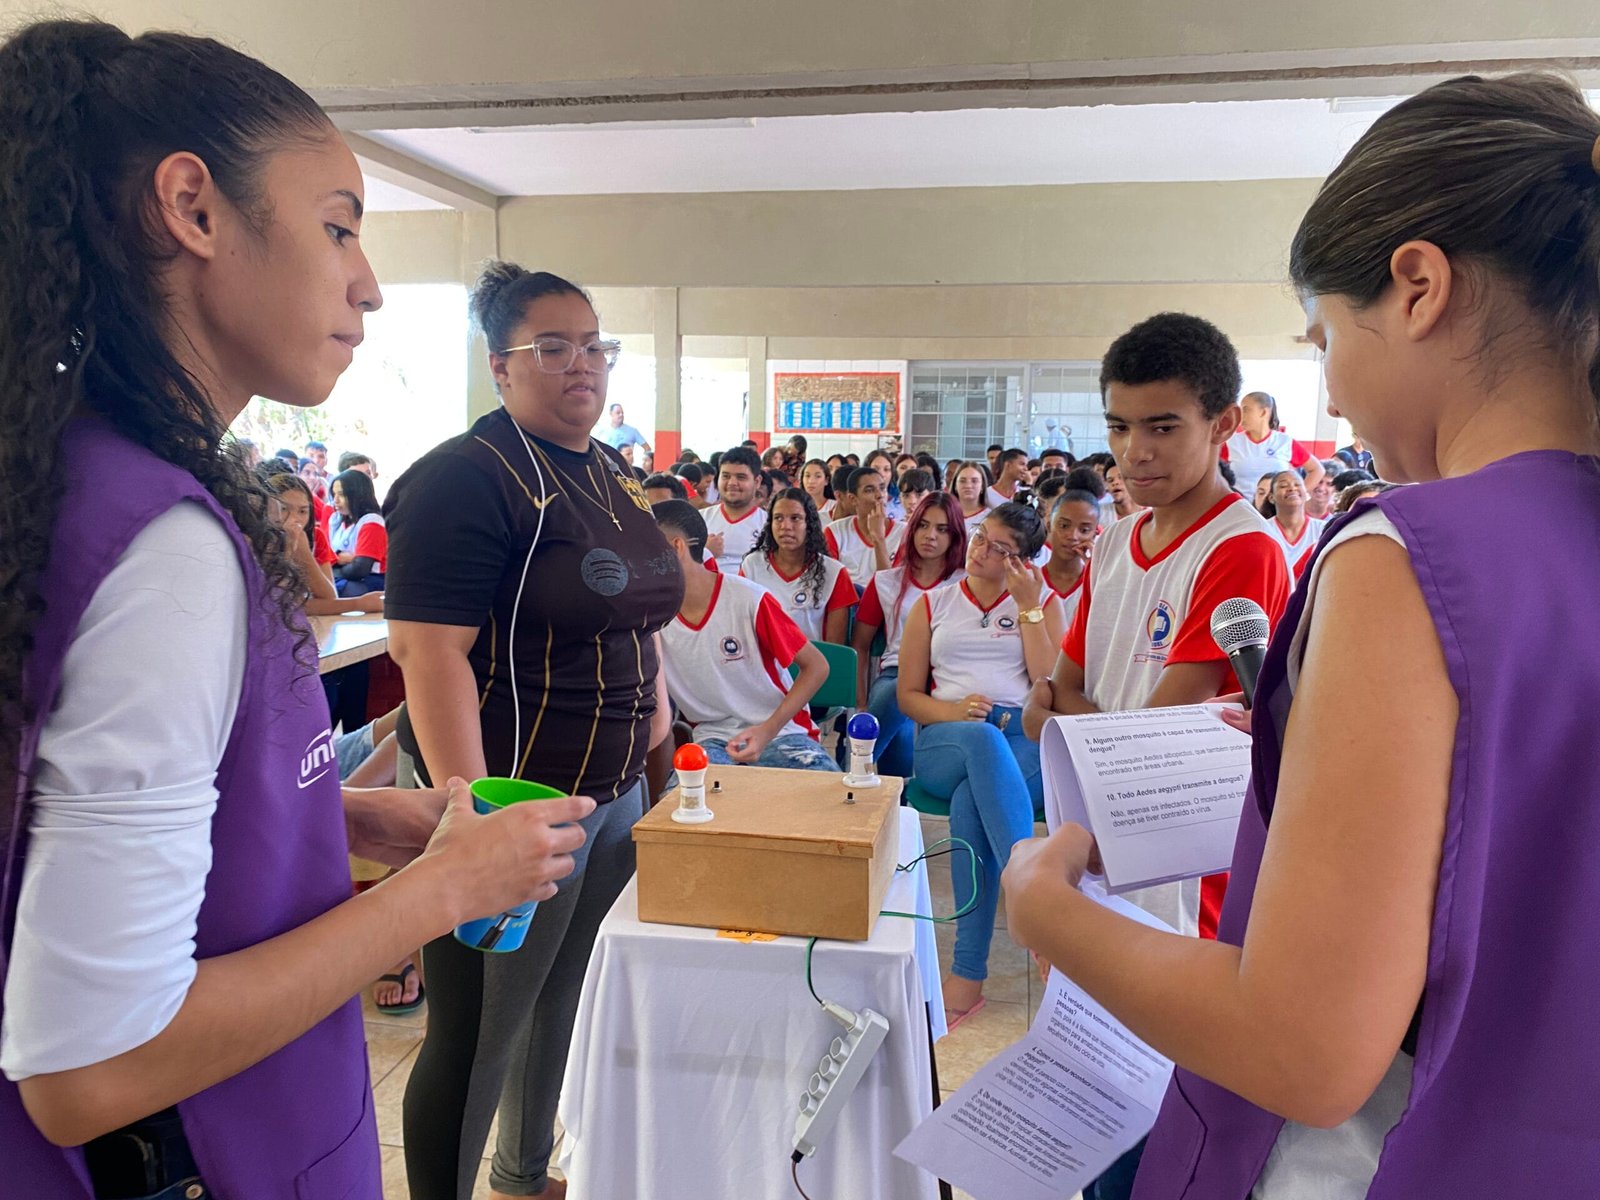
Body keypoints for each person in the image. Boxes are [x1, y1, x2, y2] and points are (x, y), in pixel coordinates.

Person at [0, 21, 593, 1199]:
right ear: (193, 209)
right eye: (336, 227)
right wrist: (442, 892)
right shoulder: (166, 550)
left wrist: (350, 819)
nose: (367, 283)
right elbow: (88, 1065)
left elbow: (74, 821)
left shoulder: (76, 477)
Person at [1007, 72, 1600, 1200]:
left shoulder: (1407, 557)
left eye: (1324, 337)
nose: (1330, 392)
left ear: (1417, 286)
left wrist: (1048, 908)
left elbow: (1306, 1050)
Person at [384, 262, 680, 1200]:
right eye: (552, 348)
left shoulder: (610, 471)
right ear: (501, 366)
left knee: (563, 997)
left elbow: (638, 617)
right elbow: (428, 654)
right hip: (518, 797)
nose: (580, 364)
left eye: (593, 346)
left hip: (614, 789)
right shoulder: (465, 479)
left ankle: (521, 1176)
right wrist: (471, 816)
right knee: (478, 1033)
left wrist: (660, 738)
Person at [897, 503, 1066, 1025]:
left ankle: (967, 977)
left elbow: (1051, 687)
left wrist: (1028, 607)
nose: (979, 550)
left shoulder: (1043, 603)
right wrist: (953, 711)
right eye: (979, 537)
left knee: (973, 800)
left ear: (1022, 561)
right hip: (945, 737)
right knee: (980, 745)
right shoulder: (933, 603)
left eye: (999, 548)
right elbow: (907, 696)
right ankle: (1030, 898)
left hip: (1021, 739)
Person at [653, 500, 835, 771]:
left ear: (677, 547)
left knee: (826, 788)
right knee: (686, 795)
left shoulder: (748, 599)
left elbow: (817, 666)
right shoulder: (651, 616)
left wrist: (767, 730)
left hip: (781, 732)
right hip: (712, 739)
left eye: (644, 548)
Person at [850, 493, 967, 777]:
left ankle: (855, 768)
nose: (930, 536)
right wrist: (861, 703)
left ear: (955, 536)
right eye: (923, 525)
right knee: (897, 701)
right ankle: (860, 770)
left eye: (942, 529)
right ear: (912, 529)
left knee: (902, 727)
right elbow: (860, 646)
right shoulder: (886, 582)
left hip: (948, 678)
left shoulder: (966, 582)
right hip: (896, 673)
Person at [740, 488, 856, 643]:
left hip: (815, 657)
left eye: (795, 518)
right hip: (763, 657)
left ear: (809, 524)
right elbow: (743, 626)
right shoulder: (752, 565)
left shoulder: (834, 573)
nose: (785, 526)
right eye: (778, 518)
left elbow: (834, 647)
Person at [1220, 390, 1327, 499]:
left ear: (1263, 412)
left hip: (1276, 507)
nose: (1241, 415)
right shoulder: (1232, 442)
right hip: (1241, 505)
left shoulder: (1284, 442)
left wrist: (1297, 495)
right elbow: (1215, 473)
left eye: (1246, 410)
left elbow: (1317, 470)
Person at [825, 465, 905, 586]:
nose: (880, 495)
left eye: (882, 488)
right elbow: (829, 583)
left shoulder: (904, 532)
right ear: (853, 499)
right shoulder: (835, 532)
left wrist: (879, 539)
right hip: (849, 596)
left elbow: (889, 587)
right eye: (869, 490)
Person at [703, 445, 766, 573]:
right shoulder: (699, 519)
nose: (732, 483)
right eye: (726, 476)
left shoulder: (769, 524)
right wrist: (704, 552)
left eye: (741, 477)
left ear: (757, 482)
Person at [1041, 488, 1100, 622]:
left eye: (1084, 530)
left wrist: (1093, 573)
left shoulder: (1098, 584)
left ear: (1094, 535)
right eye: (1064, 526)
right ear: (1049, 525)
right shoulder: (1029, 581)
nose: (1073, 536)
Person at [327, 467, 387, 596]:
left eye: (342, 494)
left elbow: (360, 569)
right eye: (334, 494)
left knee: (332, 592)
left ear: (358, 496)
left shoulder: (372, 521)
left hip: (371, 581)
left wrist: (334, 569)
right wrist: (341, 559)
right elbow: (328, 557)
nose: (335, 500)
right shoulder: (336, 520)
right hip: (346, 578)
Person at [1260, 468, 1328, 580]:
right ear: (1271, 497)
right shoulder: (1263, 530)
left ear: (1306, 494)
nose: (1292, 488)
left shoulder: (1324, 529)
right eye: (1283, 486)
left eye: (1297, 484)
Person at [951, 460, 992, 533]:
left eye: (974, 481)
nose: (968, 486)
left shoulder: (990, 518)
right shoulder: (945, 514)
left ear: (982, 486)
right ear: (955, 486)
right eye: (962, 481)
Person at [863, 447, 904, 519]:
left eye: (886, 469)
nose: (881, 474)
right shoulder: (858, 503)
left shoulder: (901, 503)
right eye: (875, 469)